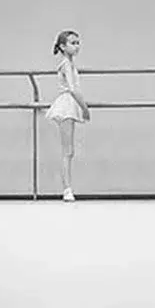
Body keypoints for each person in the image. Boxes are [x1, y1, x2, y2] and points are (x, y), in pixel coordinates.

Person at [45, 30, 90, 202]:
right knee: (67, 150)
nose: (77, 46)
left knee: (69, 150)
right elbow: (73, 88)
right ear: (63, 46)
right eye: (73, 43)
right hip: (67, 105)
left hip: (69, 104)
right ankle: (67, 189)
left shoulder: (69, 63)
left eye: (78, 42)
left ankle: (68, 188)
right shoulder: (66, 64)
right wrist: (85, 109)